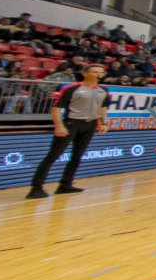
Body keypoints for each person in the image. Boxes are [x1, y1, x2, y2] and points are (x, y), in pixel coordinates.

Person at [26, 64, 112, 199]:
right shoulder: (72, 89)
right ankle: (36, 187)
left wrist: (104, 122)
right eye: (95, 72)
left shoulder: (103, 90)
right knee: (53, 155)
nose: (98, 74)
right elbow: (56, 109)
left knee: (77, 156)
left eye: (101, 72)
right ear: (85, 73)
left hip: (90, 125)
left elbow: (103, 107)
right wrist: (59, 126)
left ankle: (65, 184)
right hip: (71, 123)